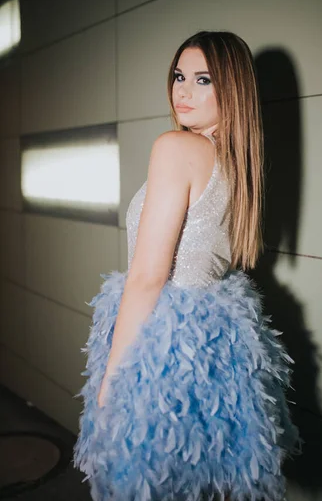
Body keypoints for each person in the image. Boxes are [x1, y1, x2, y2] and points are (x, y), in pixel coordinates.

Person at [73, 30, 301, 501]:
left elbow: (148, 276)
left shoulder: (177, 148)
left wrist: (111, 384)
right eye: (180, 76)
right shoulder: (237, 162)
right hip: (213, 350)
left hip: (160, 348)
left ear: (232, 89)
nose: (183, 90)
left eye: (203, 79)